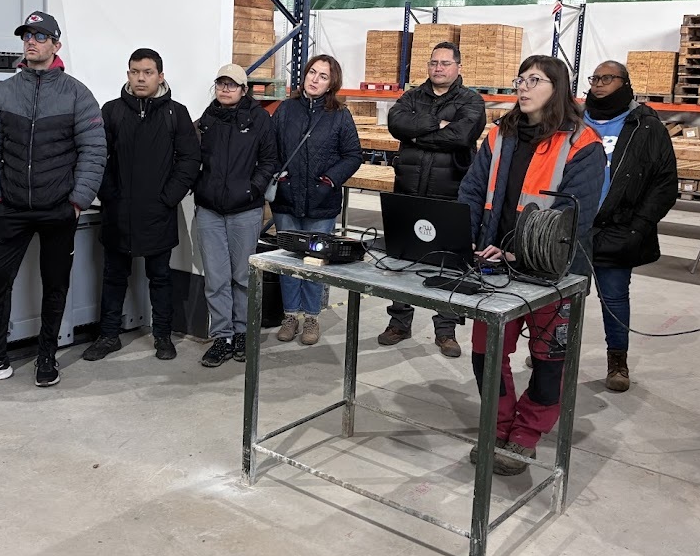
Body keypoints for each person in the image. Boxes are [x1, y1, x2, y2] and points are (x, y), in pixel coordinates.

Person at [457, 55, 604, 475]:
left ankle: (525, 436)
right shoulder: (499, 135)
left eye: (534, 80)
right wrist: (465, 241)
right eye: (520, 79)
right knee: (486, 354)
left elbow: (575, 216)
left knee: (549, 362)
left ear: (557, 88)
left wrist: (520, 252)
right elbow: (473, 191)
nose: (522, 87)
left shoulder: (583, 144)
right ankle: (497, 426)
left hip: (554, 273)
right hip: (494, 267)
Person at [0, 11, 105, 389]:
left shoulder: (76, 94)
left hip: (59, 208)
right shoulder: (5, 92)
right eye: (26, 36)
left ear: (56, 45)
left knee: (55, 283)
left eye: (39, 36)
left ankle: (47, 355)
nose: (31, 42)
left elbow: (94, 150)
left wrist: (77, 201)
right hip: (12, 207)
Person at [81, 48, 201, 362]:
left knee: (160, 278)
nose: (140, 78)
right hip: (117, 213)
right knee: (113, 276)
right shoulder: (111, 111)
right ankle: (108, 336)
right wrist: (109, 194)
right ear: (128, 75)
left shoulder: (176, 113)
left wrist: (169, 197)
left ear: (160, 76)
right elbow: (97, 156)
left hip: (158, 213)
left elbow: (190, 159)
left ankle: (163, 336)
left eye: (147, 72)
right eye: (135, 72)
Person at [380, 41, 487, 357]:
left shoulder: (471, 100)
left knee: (449, 263)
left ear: (458, 67)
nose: (438, 68)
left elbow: (462, 135)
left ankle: (446, 330)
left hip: (450, 192)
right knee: (402, 259)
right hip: (408, 189)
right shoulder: (412, 96)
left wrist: (416, 133)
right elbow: (395, 123)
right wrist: (436, 125)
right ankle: (399, 322)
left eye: (445, 63)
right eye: (433, 63)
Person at [583, 60, 678, 393]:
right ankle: (551, 350)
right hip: (573, 226)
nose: (599, 83)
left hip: (618, 227)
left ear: (624, 83)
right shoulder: (574, 121)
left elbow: (664, 183)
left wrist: (638, 227)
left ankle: (617, 361)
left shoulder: (646, 126)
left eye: (607, 78)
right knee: (560, 297)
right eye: (595, 78)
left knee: (613, 298)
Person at [270, 54, 363, 346]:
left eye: (323, 76)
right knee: (288, 259)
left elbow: (353, 155)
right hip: (286, 199)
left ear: (331, 83)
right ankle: (290, 315)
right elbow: (270, 148)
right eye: (312, 72)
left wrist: (330, 180)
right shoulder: (286, 109)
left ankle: (311, 316)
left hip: (322, 202)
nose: (315, 79)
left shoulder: (340, 115)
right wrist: (280, 177)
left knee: (315, 260)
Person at [194, 64, 278, 367]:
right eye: (221, 83)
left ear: (244, 90)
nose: (225, 89)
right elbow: (190, 156)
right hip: (210, 210)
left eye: (232, 84)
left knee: (243, 276)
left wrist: (252, 190)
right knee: (216, 278)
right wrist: (198, 185)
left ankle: (243, 332)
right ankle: (222, 336)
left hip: (245, 210)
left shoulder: (259, 120)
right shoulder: (207, 119)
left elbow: (269, 160)